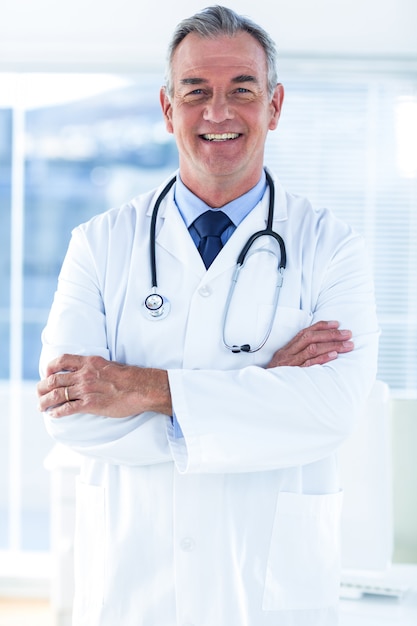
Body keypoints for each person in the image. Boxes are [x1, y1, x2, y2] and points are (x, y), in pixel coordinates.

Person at [37, 5, 379, 626]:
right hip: (134, 587)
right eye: (196, 92)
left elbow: (331, 411)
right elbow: (71, 417)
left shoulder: (332, 248)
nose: (218, 113)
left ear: (274, 106)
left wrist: (144, 389)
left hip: (270, 590)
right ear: (168, 109)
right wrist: (265, 390)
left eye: (241, 91)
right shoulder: (99, 244)